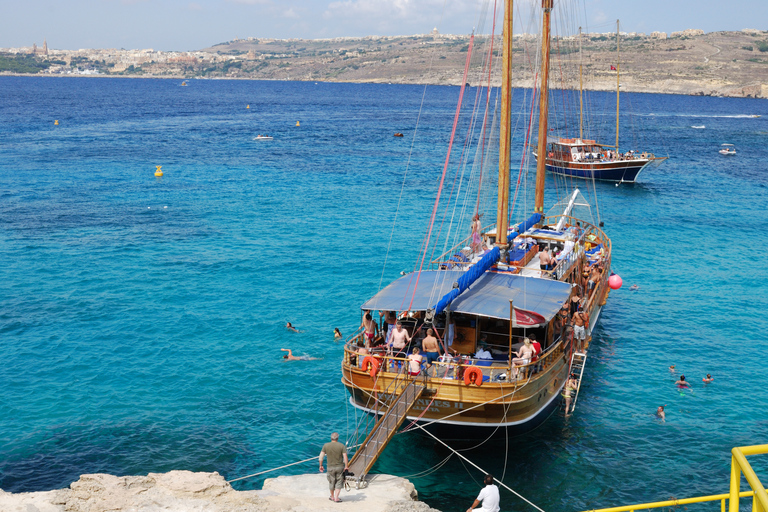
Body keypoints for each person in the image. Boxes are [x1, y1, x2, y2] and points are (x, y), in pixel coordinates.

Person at [319, 432, 348, 503]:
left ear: (331, 438)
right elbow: (345, 456)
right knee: (339, 481)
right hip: (339, 467)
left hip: (330, 467)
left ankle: (332, 497)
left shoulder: (326, 445)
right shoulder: (341, 446)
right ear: (337, 438)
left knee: (331, 481)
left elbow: (321, 456)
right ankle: (336, 498)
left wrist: (321, 465)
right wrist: (346, 466)